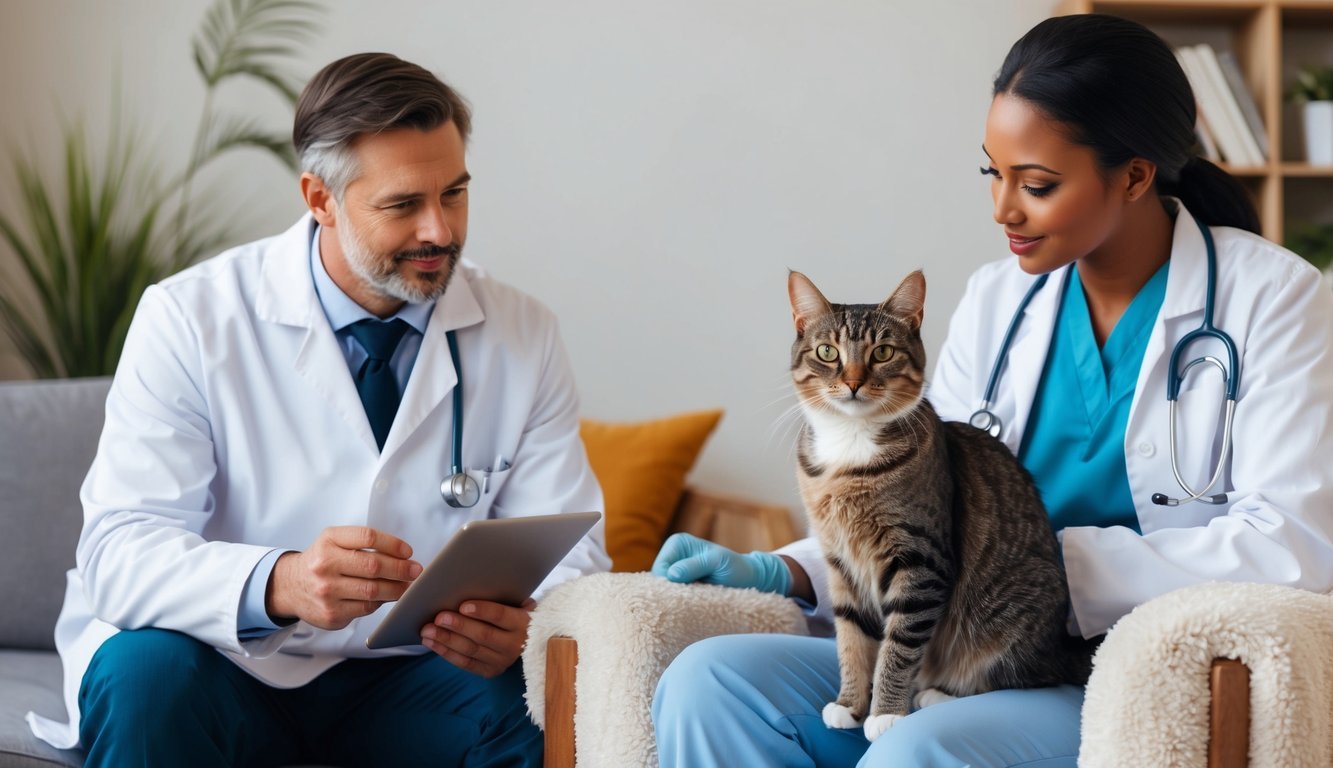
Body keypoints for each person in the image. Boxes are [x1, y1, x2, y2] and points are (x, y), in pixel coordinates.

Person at [650, 14, 1333, 768]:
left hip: (1120, 666)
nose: (1001, 210)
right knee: (706, 683)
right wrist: (789, 570)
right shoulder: (996, 300)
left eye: (1035, 184)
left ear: (1135, 176)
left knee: (915, 750)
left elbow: (1293, 549)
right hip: (954, 636)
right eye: (992, 173)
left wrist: (1042, 570)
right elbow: (917, 502)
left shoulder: (1272, 297)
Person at [27, 52, 609, 766]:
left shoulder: (523, 330)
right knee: (144, 677)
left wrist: (524, 625)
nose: (440, 230)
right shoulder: (190, 317)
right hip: (222, 661)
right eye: (402, 205)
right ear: (320, 198)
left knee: (527, 709)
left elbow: (573, 554)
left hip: (405, 676)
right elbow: (119, 556)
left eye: (453, 193)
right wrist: (280, 583)